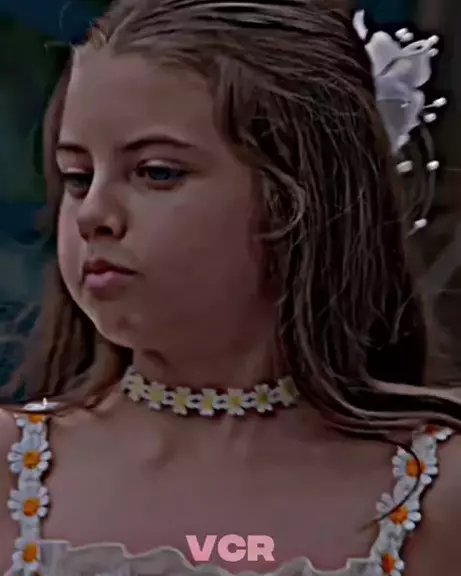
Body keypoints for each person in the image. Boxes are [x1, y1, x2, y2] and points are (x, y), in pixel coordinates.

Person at [1, 0, 461, 574]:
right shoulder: (13, 469)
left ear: (299, 200)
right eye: (78, 177)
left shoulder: (432, 492)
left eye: (157, 172)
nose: (93, 213)